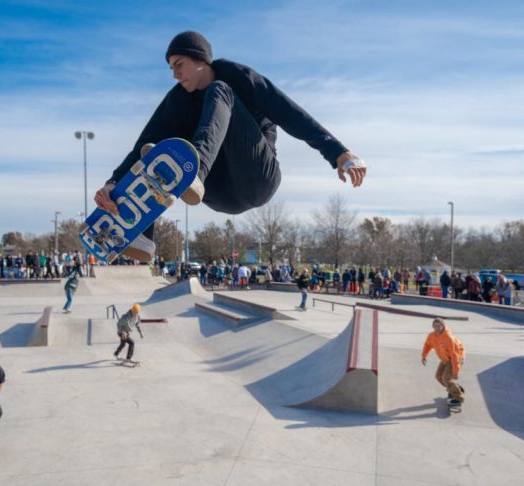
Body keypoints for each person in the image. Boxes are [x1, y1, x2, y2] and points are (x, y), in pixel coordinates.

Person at [93, 31, 366, 261]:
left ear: (199, 59)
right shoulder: (176, 101)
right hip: (219, 194)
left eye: (179, 64)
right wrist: (113, 183)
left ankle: (194, 174)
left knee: (220, 91)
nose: (175, 74)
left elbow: (289, 112)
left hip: (257, 177)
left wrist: (337, 152)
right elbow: (141, 145)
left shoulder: (240, 77)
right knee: (157, 149)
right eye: (171, 68)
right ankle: (140, 235)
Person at [421, 318, 466, 406]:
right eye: (435, 326)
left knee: (446, 378)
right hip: (445, 359)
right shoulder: (431, 336)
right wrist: (424, 356)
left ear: (443, 326)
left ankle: (459, 398)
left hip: (454, 359)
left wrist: (456, 372)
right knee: (438, 377)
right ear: (432, 326)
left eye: (439, 326)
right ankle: (454, 389)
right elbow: (427, 345)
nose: (437, 328)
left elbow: (454, 355)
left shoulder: (449, 338)